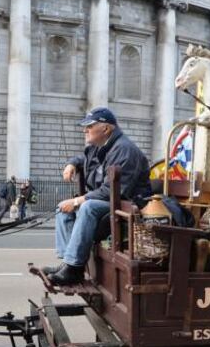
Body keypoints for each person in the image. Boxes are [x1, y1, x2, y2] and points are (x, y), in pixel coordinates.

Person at [44, 107, 151, 285]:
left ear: (106, 129)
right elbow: (85, 158)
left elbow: (114, 191)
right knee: (62, 209)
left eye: (89, 126)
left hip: (125, 206)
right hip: (110, 201)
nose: (84, 130)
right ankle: (68, 264)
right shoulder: (100, 146)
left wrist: (77, 200)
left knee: (87, 207)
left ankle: (73, 267)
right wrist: (72, 163)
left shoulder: (124, 150)